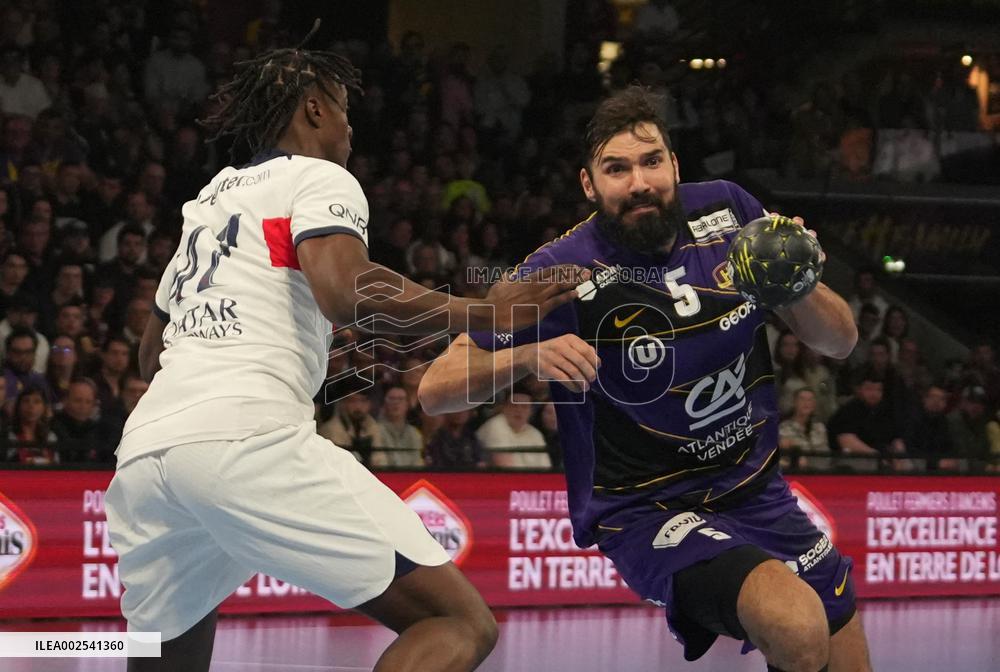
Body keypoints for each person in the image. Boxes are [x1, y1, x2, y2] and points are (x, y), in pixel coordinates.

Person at [104, 34, 580, 672]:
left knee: (166, 658)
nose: (351, 127)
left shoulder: (211, 202)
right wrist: (485, 313)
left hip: (145, 456)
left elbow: (150, 356)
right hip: (245, 437)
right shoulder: (320, 177)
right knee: (456, 622)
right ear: (314, 108)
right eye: (345, 110)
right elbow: (346, 291)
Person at [419, 86, 871, 672]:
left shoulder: (730, 210)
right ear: (589, 185)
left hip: (757, 490)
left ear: (675, 165)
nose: (639, 183)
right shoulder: (559, 270)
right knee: (795, 622)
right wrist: (527, 357)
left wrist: (796, 279)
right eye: (616, 169)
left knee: (842, 647)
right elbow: (435, 388)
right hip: (647, 510)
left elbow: (840, 341)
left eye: (651, 161)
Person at [475, 388, 549, 469]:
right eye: (514, 405)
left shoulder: (535, 433)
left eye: (524, 406)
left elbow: (546, 467)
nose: (519, 410)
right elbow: (506, 467)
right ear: (504, 407)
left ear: (531, 411)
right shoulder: (495, 425)